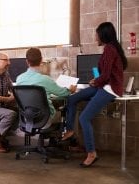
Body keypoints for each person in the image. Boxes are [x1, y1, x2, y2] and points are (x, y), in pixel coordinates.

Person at [62, 22, 128, 167]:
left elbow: (106, 74)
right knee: (72, 99)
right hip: (102, 85)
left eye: (96, 34)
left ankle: (91, 153)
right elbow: (104, 74)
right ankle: (70, 130)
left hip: (110, 88)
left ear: (103, 35)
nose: (95, 37)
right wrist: (96, 81)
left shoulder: (110, 50)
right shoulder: (109, 49)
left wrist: (96, 81)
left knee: (85, 117)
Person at [16, 48, 76, 129]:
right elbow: (63, 93)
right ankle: (65, 134)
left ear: (27, 61)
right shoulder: (45, 79)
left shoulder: (19, 78)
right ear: (41, 60)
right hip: (45, 119)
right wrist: (71, 90)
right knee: (63, 110)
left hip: (27, 119)